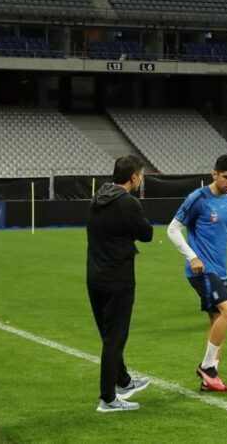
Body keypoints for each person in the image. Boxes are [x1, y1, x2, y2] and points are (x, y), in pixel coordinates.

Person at [166, 154, 227, 392]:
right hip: (202, 270)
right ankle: (206, 368)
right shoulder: (198, 198)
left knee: (218, 322)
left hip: (221, 270)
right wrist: (192, 256)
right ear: (214, 174)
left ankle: (210, 379)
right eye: (226, 177)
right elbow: (173, 229)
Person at [86, 155, 153, 413]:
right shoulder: (128, 202)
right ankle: (108, 398)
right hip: (118, 278)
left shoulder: (97, 198)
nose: (141, 180)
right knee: (115, 338)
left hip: (94, 277)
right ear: (134, 177)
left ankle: (123, 381)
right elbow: (146, 234)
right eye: (141, 176)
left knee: (108, 335)